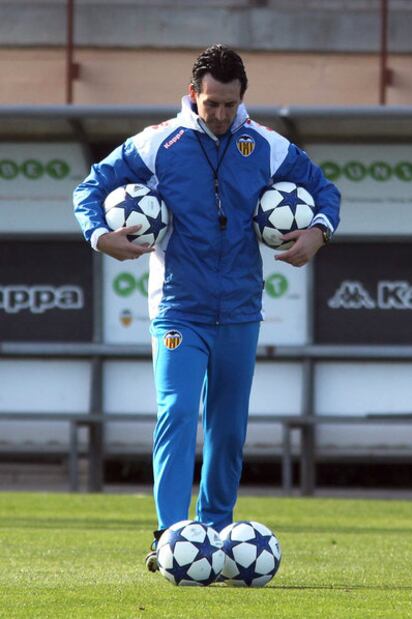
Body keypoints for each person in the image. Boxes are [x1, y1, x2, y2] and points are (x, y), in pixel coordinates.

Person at [73, 44, 340, 572]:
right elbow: (90, 187)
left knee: (227, 425)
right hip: (178, 308)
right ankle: (171, 535)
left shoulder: (266, 145)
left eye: (228, 104)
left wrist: (318, 232)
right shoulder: (156, 144)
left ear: (243, 98)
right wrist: (100, 235)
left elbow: (324, 190)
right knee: (176, 412)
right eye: (210, 103)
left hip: (241, 308)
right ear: (194, 93)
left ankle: (215, 530)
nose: (219, 115)